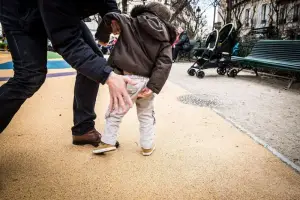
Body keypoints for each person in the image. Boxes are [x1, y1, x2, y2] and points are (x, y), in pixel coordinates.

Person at [0, 0, 135, 147]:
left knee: (93, 59)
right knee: (29, 75)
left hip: (60, 12)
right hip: (21, 10)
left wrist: (114, 17)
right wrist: (108, 75)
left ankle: (83, 128)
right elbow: (67, 42)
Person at [92, 2, 176, 156]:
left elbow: (110, 16)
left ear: (145, 10)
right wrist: (153, 86)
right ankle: (147, 146)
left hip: (127, 78)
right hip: (147, 81)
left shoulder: (131, 22)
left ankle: (107, 141)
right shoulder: (165, 38)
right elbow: (165, 63)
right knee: (146, 114)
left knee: (116, 111)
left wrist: (103, 36)